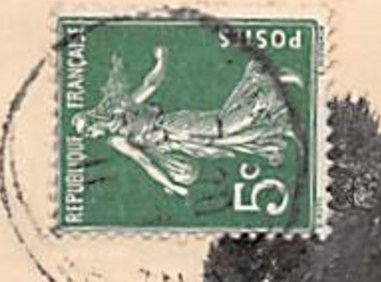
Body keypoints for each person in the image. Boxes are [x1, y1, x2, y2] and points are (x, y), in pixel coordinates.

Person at [72, 47, 298, 199]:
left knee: (224, 126)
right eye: (87, 135)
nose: (91, 135)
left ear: (93, 120)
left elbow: (150, 85)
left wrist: (162, 60)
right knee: (227, 134)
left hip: (173, 125)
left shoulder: (120, 107)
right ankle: (260, 88)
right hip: (176, 144)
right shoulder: (116, 140)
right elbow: (145, 162)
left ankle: (264, 89)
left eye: (88, 130)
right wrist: (172, 185)